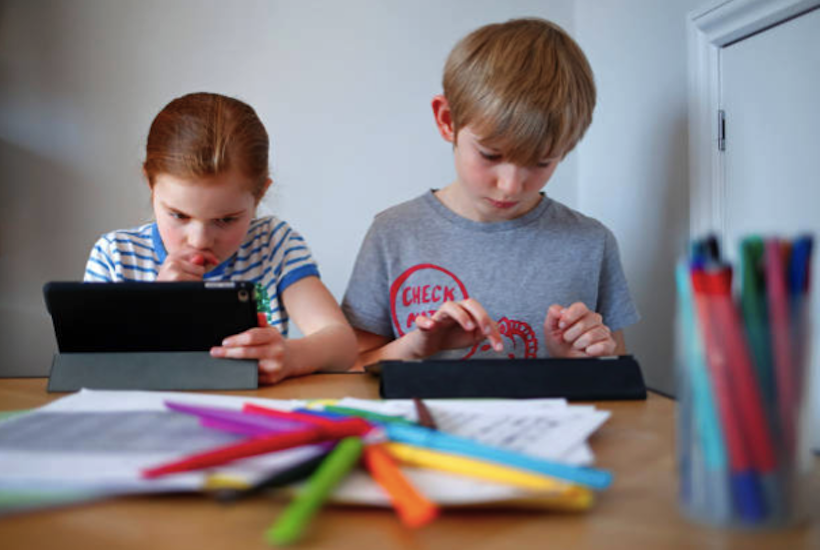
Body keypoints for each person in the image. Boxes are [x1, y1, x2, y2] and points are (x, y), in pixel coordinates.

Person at [342, 18, 639, 367]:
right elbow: (349, 369)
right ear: (447, 120)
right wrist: (414, 348)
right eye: (490, 155)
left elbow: (617, 376)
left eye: (541, 162)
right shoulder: (393, 233)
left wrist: (578, 364)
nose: (510, 186)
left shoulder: (591, 243)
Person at [84, 92, 357, 384]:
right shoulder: (115, 256)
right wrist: (156, 307)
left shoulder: (274, 246)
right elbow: (87, 363)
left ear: (259, 195)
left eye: (226, 220)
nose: (200, 240)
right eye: (179, 215)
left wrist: (291, 356)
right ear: (151, 185)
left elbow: (343, 345)